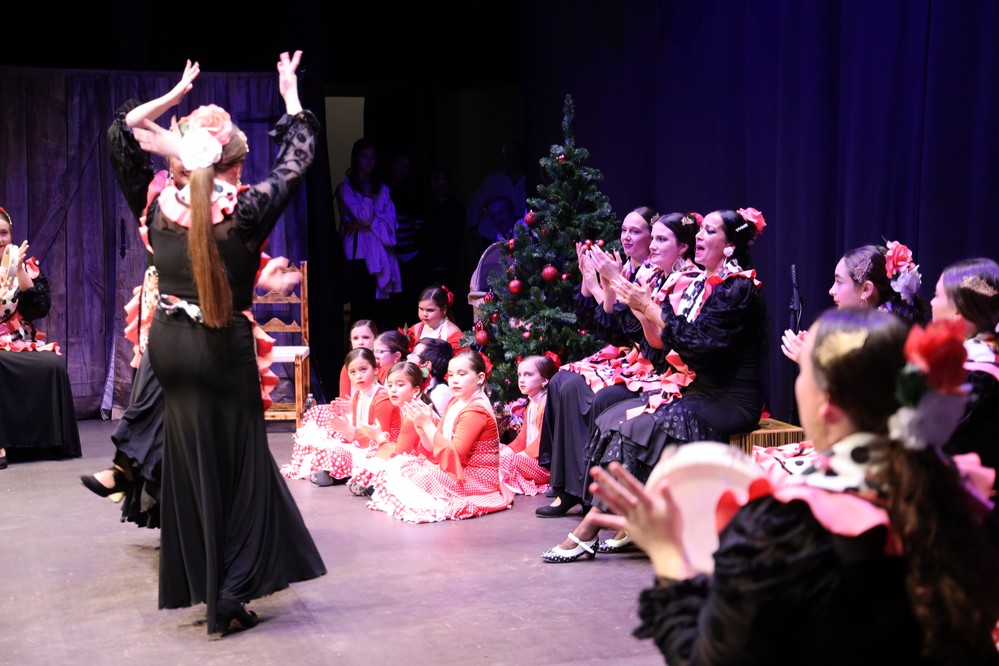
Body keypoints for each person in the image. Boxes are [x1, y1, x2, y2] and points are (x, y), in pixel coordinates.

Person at [590, 307, 999, 664]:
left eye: (804, 370)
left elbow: (710, 656)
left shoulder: (793, 531)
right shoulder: (961, 497)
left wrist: (667, 554)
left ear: (827, 403)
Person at [110, 53, 326, 634]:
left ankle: (212, 587)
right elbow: (300, 156)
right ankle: (226, 593)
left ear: (184, 162)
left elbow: (121, 134)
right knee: (238, 469)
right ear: (233, 165)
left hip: (170, 347)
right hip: (217, 349)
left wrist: (173, 104)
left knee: (193, 467)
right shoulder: (247, 212)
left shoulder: (158, 207)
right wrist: (289, 96)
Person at [542, 208, 767, 562]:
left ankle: (590, 527)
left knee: (637, 428)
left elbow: (700, 344)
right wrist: (636, 303)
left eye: (709, 231)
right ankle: (624, 522)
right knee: (613, 420)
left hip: (728, 399)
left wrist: (644, 304)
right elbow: (663, 346)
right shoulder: (699, 285)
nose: (700, 237)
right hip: (696, 389)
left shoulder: (738, 288)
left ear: (729, 246)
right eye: (701, 230)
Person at [536, 208, 694, 518]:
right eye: (624, 230)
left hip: (655, 368)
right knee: (561, 382)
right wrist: (596, 283)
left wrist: (609, 284)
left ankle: (590, 493)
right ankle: (567, 486)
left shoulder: (670, 278)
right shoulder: (648, 274)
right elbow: (607, 324)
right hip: (634, 356)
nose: (628, 238)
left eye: (640, 233)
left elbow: (639, 334)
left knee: (598, 396)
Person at [367, 349, 514, 522]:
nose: (455, 380)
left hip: (476, 479)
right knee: (401, 466)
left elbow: (454, 456)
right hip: (454, 470)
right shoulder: (455, 402)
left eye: (462, 374)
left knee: (407, 470)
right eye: (451, 375)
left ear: (480, 378)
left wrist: (427, 425)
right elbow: (435, 451)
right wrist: (422, 429)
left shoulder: (475, 411)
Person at [0, 206, 81, 467]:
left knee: (53, 364)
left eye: (3, 233)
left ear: (10, 235)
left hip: (16, 340)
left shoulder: (26, 266)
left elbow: (39, 308)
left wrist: (20, 271)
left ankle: (49, 441)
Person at [782, 240, 925, 362]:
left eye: (839, 281)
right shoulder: (869, 330)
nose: (831, 290)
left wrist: (810, 360)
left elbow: (852, 392)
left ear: (866, 289)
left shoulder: (881, 339)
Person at [931, 257, 999, 482]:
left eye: (937, 295)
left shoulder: (977, 372)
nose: (931, 303)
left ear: (958, 310)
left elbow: (946, 445)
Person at [336, 137, 401, 329]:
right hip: (358, 254)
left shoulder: (383, 188)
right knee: (361, 307)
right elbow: (364, 217)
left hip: (381, 250)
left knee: (381, 308)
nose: (369, 161)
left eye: (372, 157)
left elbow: (390, 223)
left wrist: (366, 223)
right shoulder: (346, 188)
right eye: (364, 156)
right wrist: (367, 206)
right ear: (356, 159)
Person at [348, 360, 435, 495]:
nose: (393, 389)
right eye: (389, 385)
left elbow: (400, 454)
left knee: (380, 454)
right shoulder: (407, 408)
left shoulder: (414, 414)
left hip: (428, 463)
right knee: (375, 451)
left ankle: (376, 485)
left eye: (400, 385)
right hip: (414, 456)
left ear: (416, 390)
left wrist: (380, 439)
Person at [499, 355, 558, 496]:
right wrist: (508, 452)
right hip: (529, 460)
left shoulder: (547, 404)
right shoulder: (532, 403)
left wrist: (517, 456)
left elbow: (541, 443)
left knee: (506, 460)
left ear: (544, 380)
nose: (522, 380)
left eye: (528, 375)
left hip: (544, 467)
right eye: (520, 375)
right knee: (498, 451)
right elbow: (523, 436)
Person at [467, 139, 526, 249]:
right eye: (509, 156)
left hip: (523, 239)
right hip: (492, 240)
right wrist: (475, 236)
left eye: (516, 155)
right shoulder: (493, 180)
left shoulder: (531, 180)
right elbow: (475, 206)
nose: (513, 160)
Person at [406, 285, 464, 352]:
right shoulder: (415, 329)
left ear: (444, 310)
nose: (424, 314)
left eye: (430, 310)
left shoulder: (453, 334)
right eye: (421, 309)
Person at [408, 336, 455, 415]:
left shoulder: (440, 392)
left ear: (427, 365)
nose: (408, 356)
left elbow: (436, 424)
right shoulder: (415, 385)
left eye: (414, 354)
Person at [339, 319, 378, 398]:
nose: (360, 342)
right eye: (355, 338)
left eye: (366, 337)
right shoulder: (347, 367)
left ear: (376, 339)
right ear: (351, 341)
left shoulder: (383, 364)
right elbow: (343, 399)